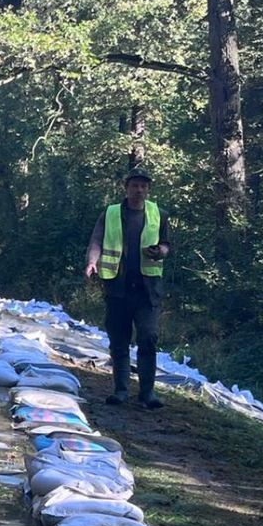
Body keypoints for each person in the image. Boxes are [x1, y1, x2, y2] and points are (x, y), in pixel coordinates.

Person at [84, 169, 171, 408]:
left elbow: (166, 245)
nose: (139, 190)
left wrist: (160, 251)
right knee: (119, 340)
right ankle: (121, 390)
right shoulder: (110, 213)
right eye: (135, 186)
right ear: (126, 187)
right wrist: (92, 262)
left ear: (148, 189)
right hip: (117, 288)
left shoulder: (159, 214)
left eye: (143, 186)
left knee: (148, 337)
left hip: (147, 290)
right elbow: (96, 240)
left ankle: (147, 393)